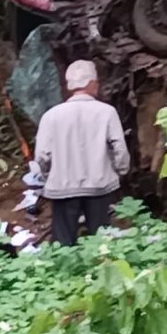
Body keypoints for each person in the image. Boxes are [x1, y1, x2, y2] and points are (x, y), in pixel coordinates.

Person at [34, 60, 130, 246]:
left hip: (62, 189)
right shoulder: (107, 112)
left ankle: (64, 272)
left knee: (62, 243)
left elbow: (42, 156)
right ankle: (101, 272)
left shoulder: (51, 116)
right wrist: (120, 172)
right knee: (101, 242)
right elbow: (119, 149)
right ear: (92, 83)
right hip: (99, 187)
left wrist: (49, 176)